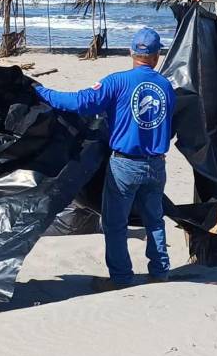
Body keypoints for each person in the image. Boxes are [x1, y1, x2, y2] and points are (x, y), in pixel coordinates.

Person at [34, 27, 176, 290]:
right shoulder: (166, 86)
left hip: (125, 164)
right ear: (157, 56)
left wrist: (43, 93)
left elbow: (80, 103)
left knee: (115, 223)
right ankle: (160, 271)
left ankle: (121, 278)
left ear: (131, 52)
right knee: (155, 220)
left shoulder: (117, 82)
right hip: (156, 164)